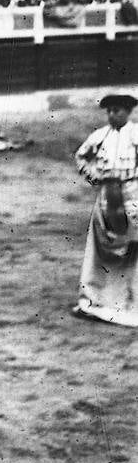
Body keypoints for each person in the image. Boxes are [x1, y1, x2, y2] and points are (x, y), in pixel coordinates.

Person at [73, 94, 138, 327]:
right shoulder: (99, 135)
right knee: (100, 248)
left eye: (117, 110)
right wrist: (94, 177)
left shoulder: (136, 134)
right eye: (109, 111)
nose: (112, 115)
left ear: (129, 112)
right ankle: (95, 297)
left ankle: (132, 299)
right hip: (106, 195)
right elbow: (81, 156)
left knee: (133, 246)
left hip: (132, 193)